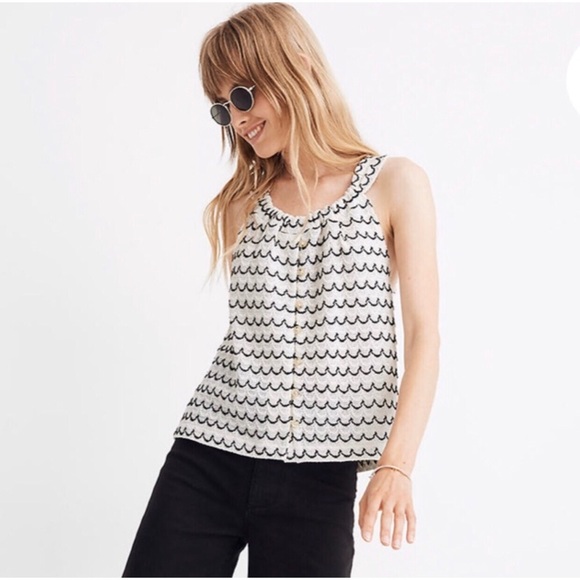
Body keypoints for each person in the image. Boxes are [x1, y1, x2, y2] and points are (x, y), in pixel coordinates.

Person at [121, 2, 439, 577]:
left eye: (244, 95)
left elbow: (425, 337)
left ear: (295, 64)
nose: (237, 119)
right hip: (209, 452)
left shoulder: (395, 183)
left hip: (320, 474)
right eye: (223, 107)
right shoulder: (241, 205)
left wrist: (397, 465)